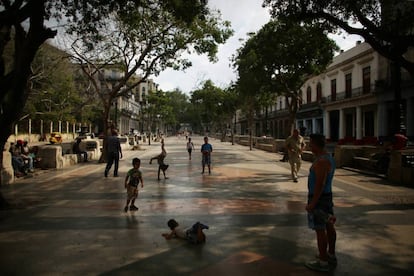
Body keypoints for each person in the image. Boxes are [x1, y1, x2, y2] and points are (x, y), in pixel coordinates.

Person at [305, 134, 337, 272]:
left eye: (310, 144)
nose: (309, 146)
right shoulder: (326, 157)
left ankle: (323, 260)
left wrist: (313, 203)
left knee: (320, 229)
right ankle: (330, 253)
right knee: (329, 225)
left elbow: (320, 184)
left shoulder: (322, 162)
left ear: (316, 145)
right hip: (326, 197)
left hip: (320, 199)